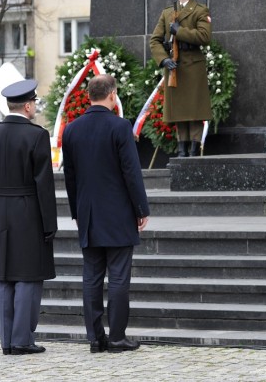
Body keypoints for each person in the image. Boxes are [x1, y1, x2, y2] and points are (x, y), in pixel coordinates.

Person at [62, 74, 151, 353]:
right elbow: (131, 173)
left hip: (88, 214)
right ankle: (117, 337)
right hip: (118, 214)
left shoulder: (72, 130)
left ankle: (95, 337)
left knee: (91, 276)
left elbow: (70, 177)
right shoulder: (120, 126)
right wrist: (141, 209)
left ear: (90, 95)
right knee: (119, 276)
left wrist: (77, 210)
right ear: (112, 94)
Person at [0, 79, 57, 356]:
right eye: (34, 102)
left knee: (4, 277)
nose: (35, 106)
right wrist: (50, 224)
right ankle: (22, 340)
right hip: (28, 211)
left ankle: (7, 341)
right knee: (28, 276)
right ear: (26, 106)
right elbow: (44, 185)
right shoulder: (36, 136)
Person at [149, 0, 212, 157]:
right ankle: (181, 148)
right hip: (174, 64)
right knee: (178, 111)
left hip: (192, 65)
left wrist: (179, 31)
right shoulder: (168, 12)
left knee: (193, 110)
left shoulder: (200, 10)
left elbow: (204, 36)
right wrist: (163, 59)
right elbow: (155, 40)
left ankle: (194, 148)